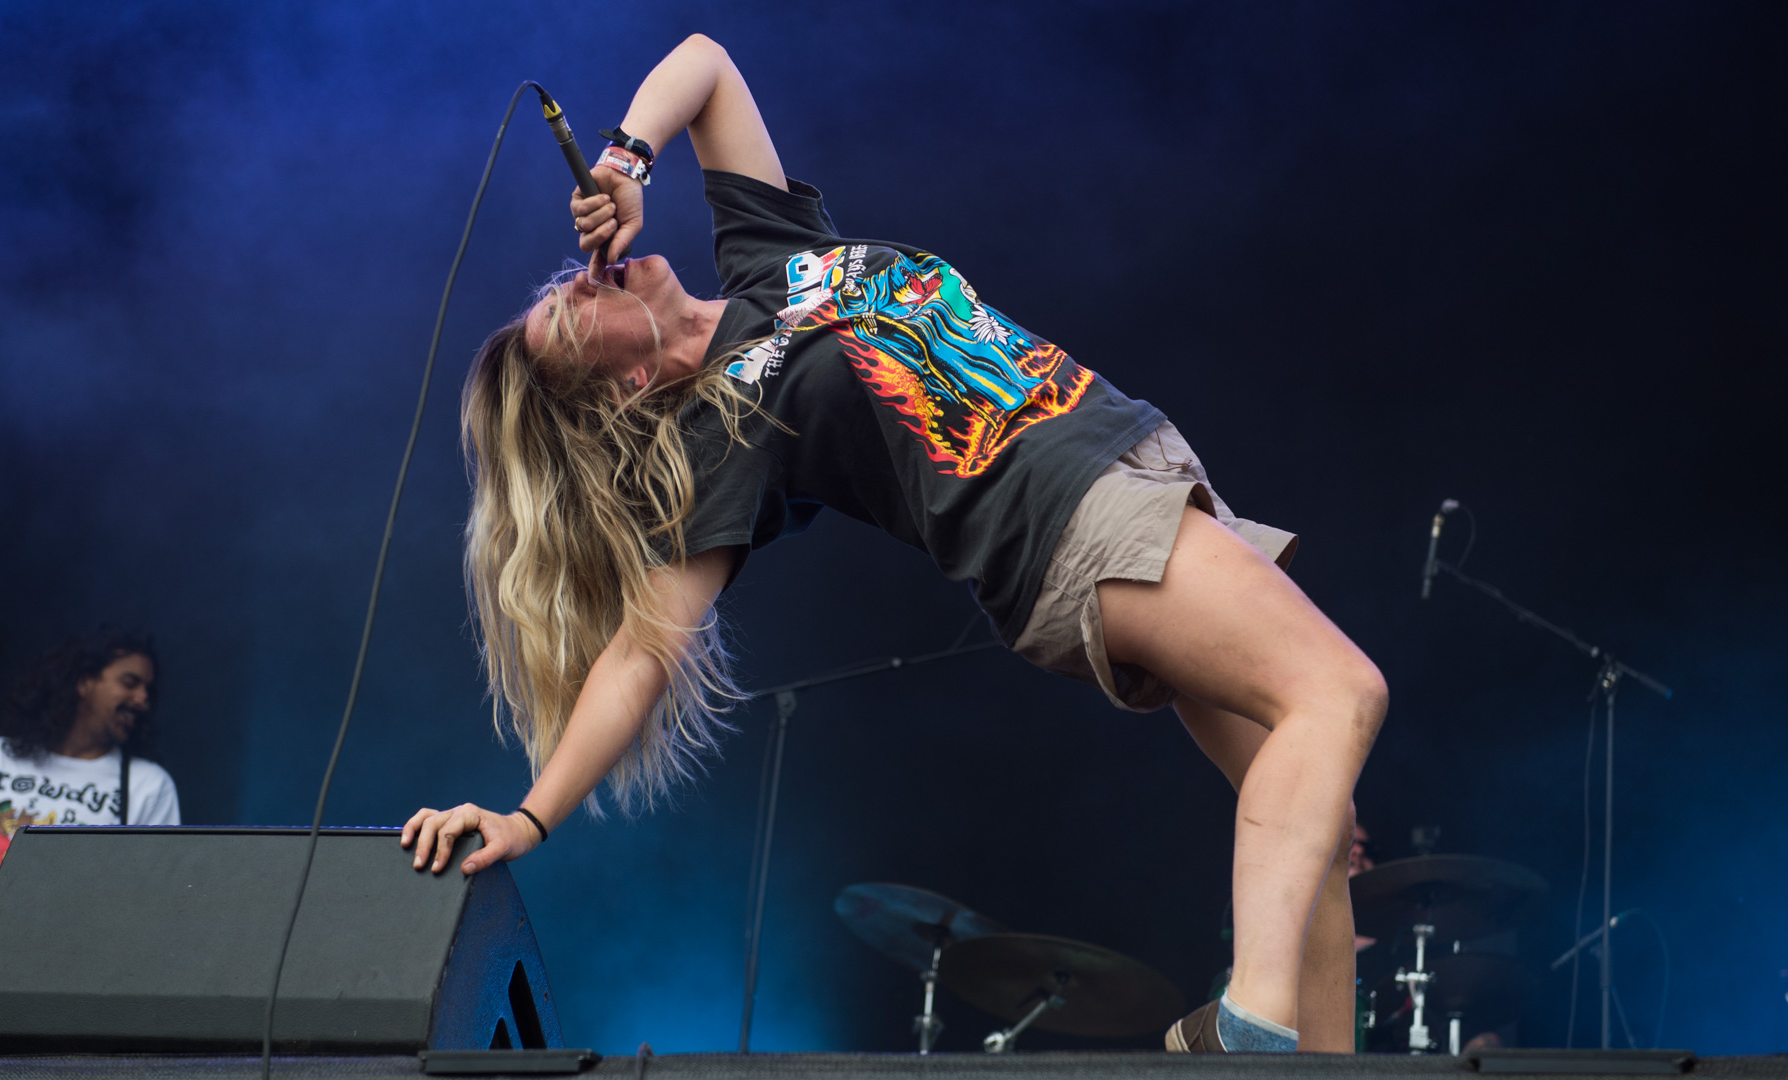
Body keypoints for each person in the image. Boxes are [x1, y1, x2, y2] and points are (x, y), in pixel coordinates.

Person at [402, 34, 1386, 1053]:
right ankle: (1245, 1032)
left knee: (1314, 812)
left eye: (563, 284)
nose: (576, 282)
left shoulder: (767, 259)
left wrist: (625, 159)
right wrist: (529, 817)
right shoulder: (721, 430)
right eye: (566, 315)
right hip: (1065, 518)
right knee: (1337, 691)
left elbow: (706, 65)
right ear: (627, 388)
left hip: (1137, 463)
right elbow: (642, 652)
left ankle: (1318, 1068)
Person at [0, 629, 181, 970]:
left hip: (73, 969)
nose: (142, 699)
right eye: (129, 683)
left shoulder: (148, 784)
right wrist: (7, 882)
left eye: (148, 691)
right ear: (84, 682)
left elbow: (157, 907)